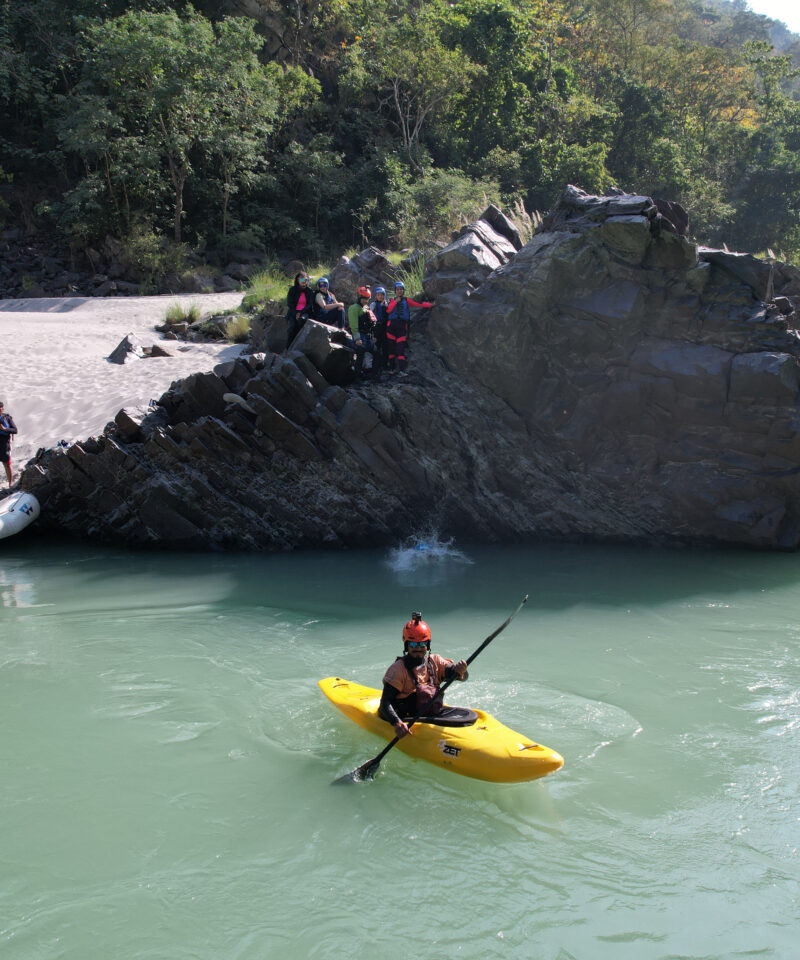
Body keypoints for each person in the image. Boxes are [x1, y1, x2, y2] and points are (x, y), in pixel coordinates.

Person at [378, 612, 473, 739]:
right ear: (406, 645)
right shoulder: (397, 670)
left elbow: (462, 677)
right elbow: (384, 704)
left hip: (431, 715)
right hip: (407, 718)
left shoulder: (435, 661)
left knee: (469, 718)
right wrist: (397, 723)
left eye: (422, 644)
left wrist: (461, 671)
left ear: (427, 645)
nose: (418, 648)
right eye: (413, 644)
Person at [386, 280, 434, 376]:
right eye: (397, 289)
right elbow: (388, 310)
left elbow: (419, 304)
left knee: (400, 349)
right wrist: (395, 302)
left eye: (401, 289)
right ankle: (391, 369)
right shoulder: (391, 301)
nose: (399, 291)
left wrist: (430, 305)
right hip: (391, 327)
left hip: (401, 327)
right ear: (395, 291)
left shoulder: (407, 300)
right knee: (391, 350)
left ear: (403, 291)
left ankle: (402, 370)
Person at [347, 285, 376, 379]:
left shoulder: (367, 308)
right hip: (359, 335)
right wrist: (357, 338)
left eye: (367, 299)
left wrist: (373, 336)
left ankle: (374, 375)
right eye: (364, 298)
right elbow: (353, 325)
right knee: (360, 354)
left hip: (367, 336)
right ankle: (357, 377)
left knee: (376, 353)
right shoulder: (354, 308)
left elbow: (371, 323)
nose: (366, 301)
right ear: (359, 298)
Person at [285, 272, 312, 345]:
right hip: (293, 312)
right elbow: (290, 303)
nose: (304, 281)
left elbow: (309, 305)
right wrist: (296, 313)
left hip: (304, 312)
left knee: (301, 321)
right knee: (292, 328)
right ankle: (288, 347)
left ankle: (298, 345)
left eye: (306, 279)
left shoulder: (309, 291)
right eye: (302, 279)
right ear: (298, 280)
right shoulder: (292, 289)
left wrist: (301, 312)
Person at [370, 286, 390, 373]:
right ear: (376, 296)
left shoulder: (387, 304)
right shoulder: (373, 305)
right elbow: (369, 315)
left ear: (384, 295)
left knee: (385, 347)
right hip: (376, 327)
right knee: (376, 347)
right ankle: (375, 367)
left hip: (385, 327)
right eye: (378, 295)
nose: (380, 296)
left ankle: (384, 365)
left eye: (382, 295)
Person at [0, 400, 18, 487]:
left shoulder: (7, 418)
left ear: (2, 408)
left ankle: (10, 483)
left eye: (0, 407)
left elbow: (15, 430)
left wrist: (5, 429)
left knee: (6, 463)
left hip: (4, 443)